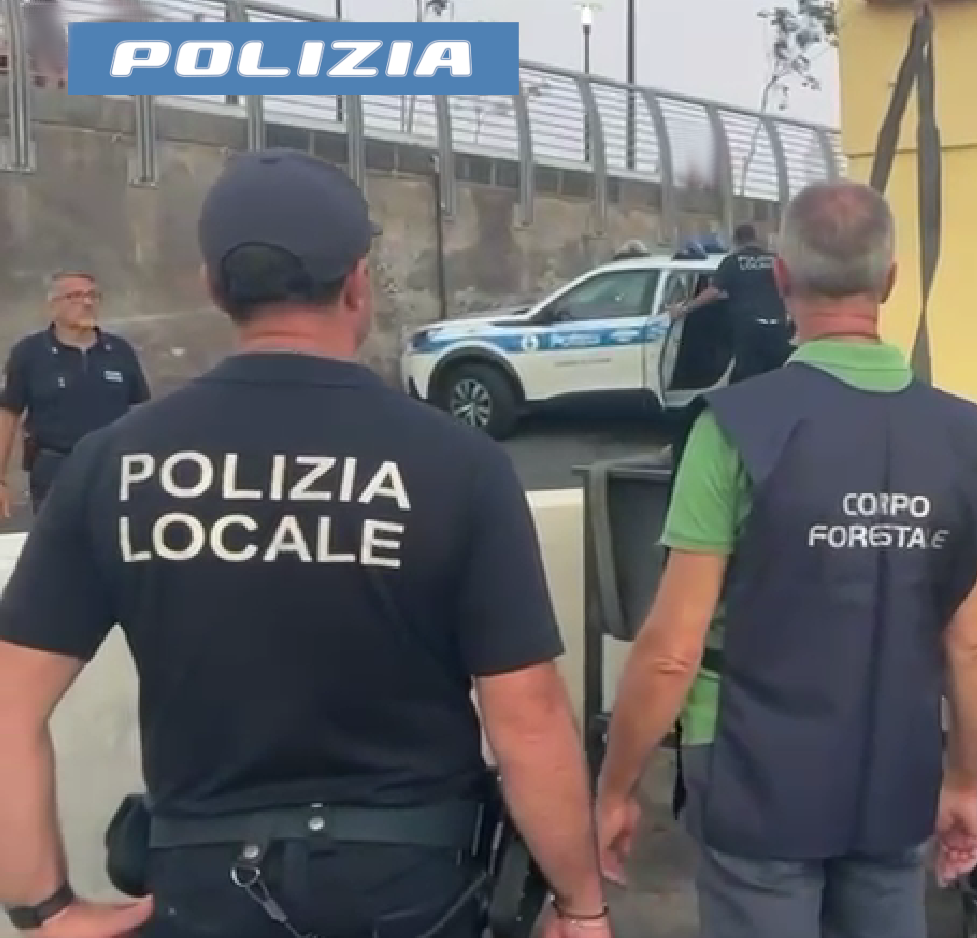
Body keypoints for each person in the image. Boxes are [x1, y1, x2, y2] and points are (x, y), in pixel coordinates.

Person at [0, 149, 610, 938]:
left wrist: (43, 910)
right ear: (358, 282)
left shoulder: (112, 463)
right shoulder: (458, 462)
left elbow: (9, 702)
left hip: (203, 891)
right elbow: (527, 718)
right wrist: (581, 904)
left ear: (212, 285)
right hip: (415, 890)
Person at [595, 181, 977, 938]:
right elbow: (975, 645)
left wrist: (616, 788)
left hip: (755, 773)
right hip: (895, 770)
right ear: (889, 282)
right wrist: (965, 780)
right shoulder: (968, 437)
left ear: (782, 278)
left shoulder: (737, 426)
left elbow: (671, 650)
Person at [0, 270, 151, 516]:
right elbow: (8, 414)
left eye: (93, 295)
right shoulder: (29, 354)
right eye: (75, 296)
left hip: (113, 468)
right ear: (53, 305)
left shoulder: (119, 351)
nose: (87, 302)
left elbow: (141, 412)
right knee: (57, 537)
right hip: (55, 468)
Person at [671, 223, 792, 383]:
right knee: (777, 376)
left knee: (750, 378)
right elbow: (790, 287)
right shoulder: (776, 260)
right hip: (777, 328)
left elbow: (713, 292)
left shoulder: (732, 262)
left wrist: (685, 308)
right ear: (755, 239)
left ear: (736, 241)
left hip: (749, 329)